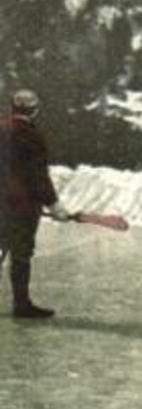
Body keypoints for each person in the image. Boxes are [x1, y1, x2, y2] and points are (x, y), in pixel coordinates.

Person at [1, 89, 75, 319]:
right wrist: (55, 205)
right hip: (22, 207)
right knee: (21, 255)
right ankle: (21, 305)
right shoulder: (32, 136)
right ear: (34, 111)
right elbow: (38, 176)